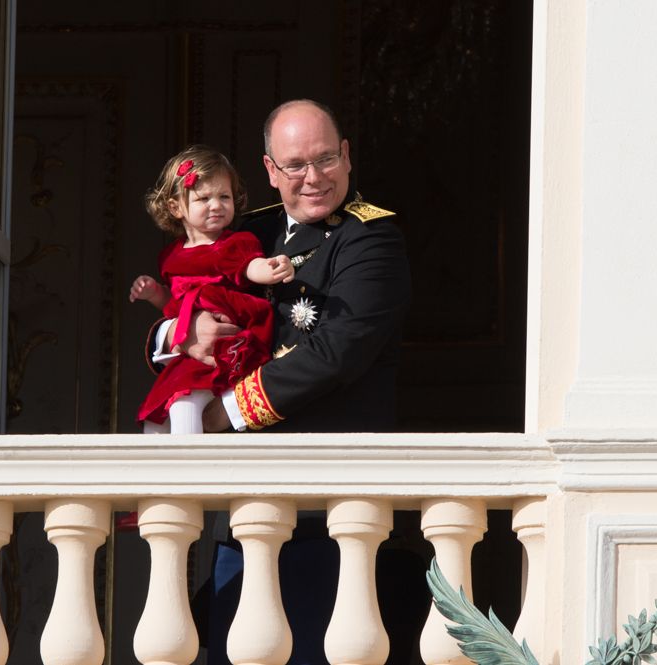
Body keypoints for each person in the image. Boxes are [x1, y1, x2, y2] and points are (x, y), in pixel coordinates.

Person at [150, 100, 423, 665]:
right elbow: (176, 300)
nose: (314, 177)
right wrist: (182, 331)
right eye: (295, 164)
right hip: (245, 503)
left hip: (329, 509)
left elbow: (337, 351)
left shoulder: (371, 238)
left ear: (346, 156)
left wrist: (227, 409)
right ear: (271, 170)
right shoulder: (246, 230)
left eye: (326, 158)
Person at [131, 145, 294, 434]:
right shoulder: (172, 256)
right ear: (175, 207)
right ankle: (158, 478)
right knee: (156, 417)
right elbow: (176, 306)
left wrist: (270, 269)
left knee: (185, 403)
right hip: (192, 351)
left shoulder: (234, 244)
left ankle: (193, 476)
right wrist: (155, 293)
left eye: (224, 196)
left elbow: (248, 267)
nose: (216, 205)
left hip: (230, 339)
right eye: (204, 198)